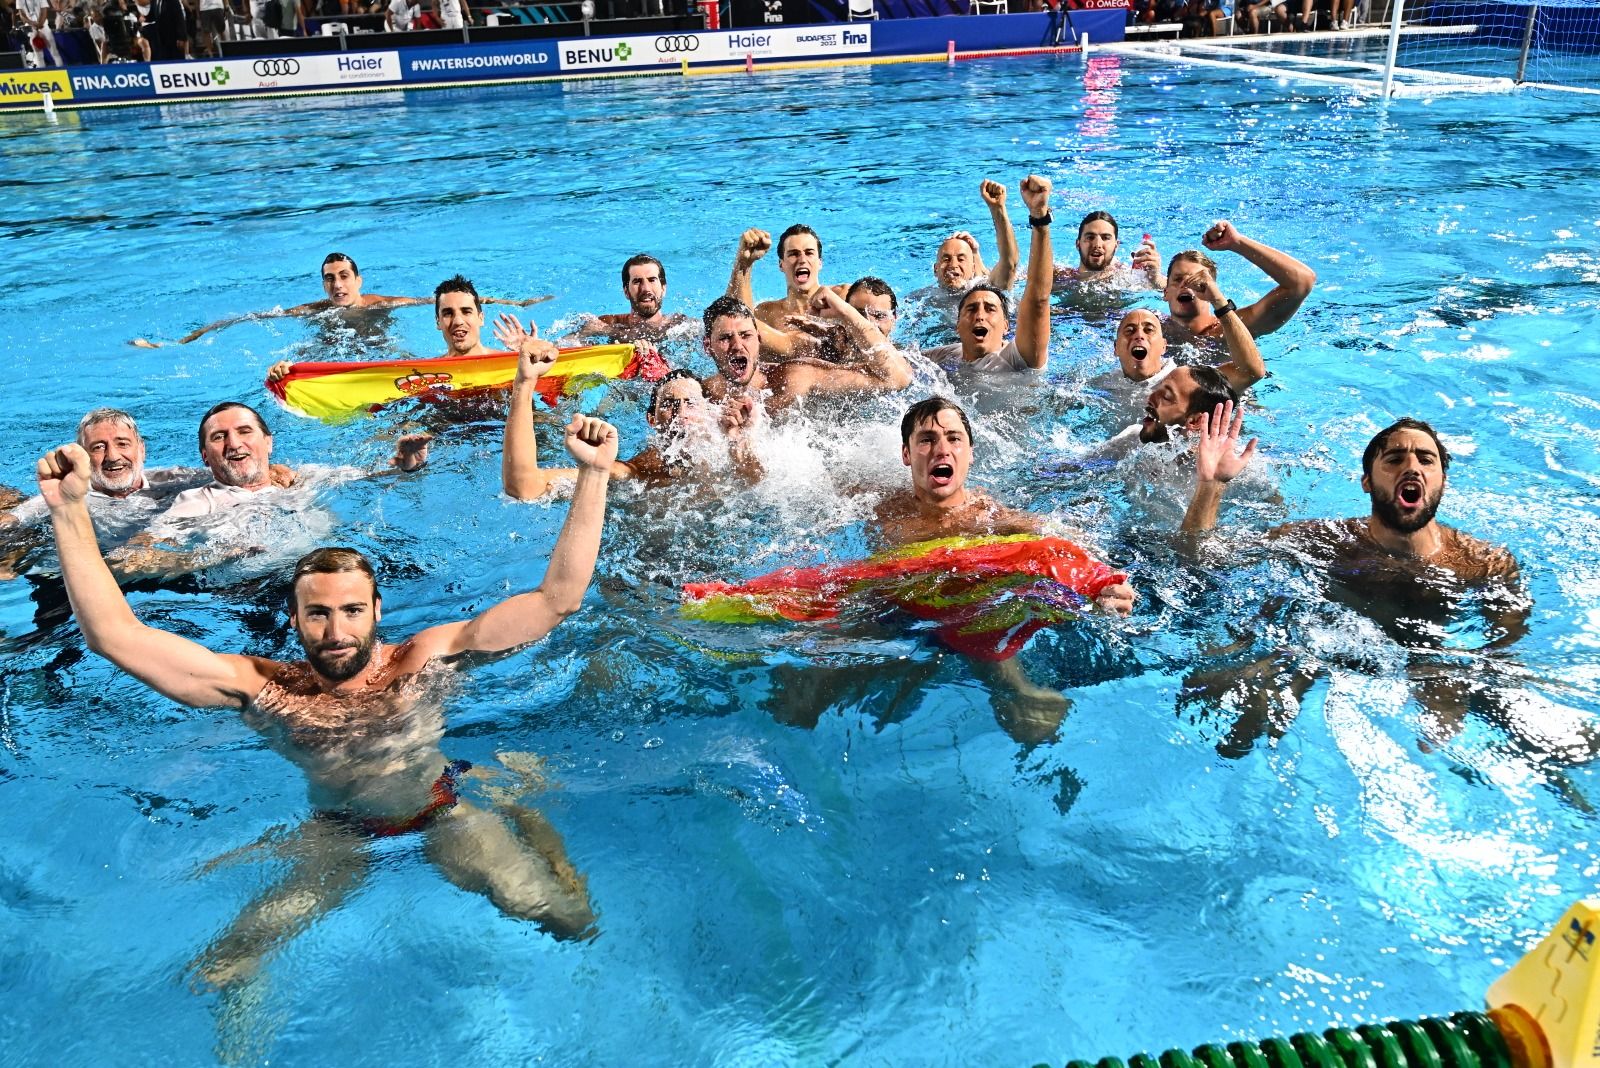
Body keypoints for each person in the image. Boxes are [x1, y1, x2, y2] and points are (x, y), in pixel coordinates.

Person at [35, 413, 618, 982]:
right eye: (317, 613)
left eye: (351, 611)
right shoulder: (262, 686)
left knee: (561, 916)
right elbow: (114, 636)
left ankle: (521, 802)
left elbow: (556, 600)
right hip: (337, 830)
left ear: (377, 612)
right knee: (228, 962)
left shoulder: (426, 658)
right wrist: (67, 512)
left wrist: (592, 476)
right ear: (293, 619)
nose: (336, 632)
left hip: (441, 806)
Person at [1180, 409, 1531, 752]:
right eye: (1394, 459)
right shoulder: (1325, 541)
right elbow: (1203, 559)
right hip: (1321, 650)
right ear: (1367, 481)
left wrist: (1455, 682)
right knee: (1241, 721)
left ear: (1442, 480)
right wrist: (1212, 485)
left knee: (1539, 734)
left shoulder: (1482, 563)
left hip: (1432, 663)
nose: (1411, 467)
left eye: (1426, 460)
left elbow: (1505, 657)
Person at [504, 344, 760, 498]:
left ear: (709, 412)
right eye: (669, 405)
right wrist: (524, 384)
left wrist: (738, 441)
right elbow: (524, 486)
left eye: (691, 403)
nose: (681, 413)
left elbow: (756, 485)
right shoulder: (638, 472)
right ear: (652, 420)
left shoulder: (729, 450)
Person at [131, 254, 545, 348]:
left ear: (358, 279)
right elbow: (246, 319)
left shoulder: (381, 302)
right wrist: (184, 340)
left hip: (380, 352)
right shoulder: (313, 312)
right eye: (329, 279)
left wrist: (517, 303)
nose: (337, 284)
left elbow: (440, 301)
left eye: (343, 276)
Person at [921, 174, 1057, 374]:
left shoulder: (1017, 360)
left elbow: (1037, 297)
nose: (980, 316)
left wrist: (1040, 217)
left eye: (990, 309)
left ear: (1006, 326)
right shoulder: (946, 355)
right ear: (957, 326)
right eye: (972, 309)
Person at [699, 294, 913, 415]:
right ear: (707, 347)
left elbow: (897, 378)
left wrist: (847, 314)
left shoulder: (795, 377)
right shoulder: (698, 395)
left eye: (745, 335)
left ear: (759, 340)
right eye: (725, 338)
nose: (737, 345)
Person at [1161, 221, 1316, 345]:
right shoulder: (1150, 329)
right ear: (1165, 292)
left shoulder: (1233, 329)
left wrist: (1237, 243)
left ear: (1212, 289)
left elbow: (1302, 282)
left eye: (1198, 280)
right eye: (1178, 279)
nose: (1186, 285)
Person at [904, 180, 1021, 328]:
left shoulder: (985, 289)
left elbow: (1010, 262)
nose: (953, 265)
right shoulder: (921, 298)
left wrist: (998, 209)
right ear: (935, 269)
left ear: (973, 268)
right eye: (946, 259)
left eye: (961, 259)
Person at [726, 223, 835, 333]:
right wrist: (743, 263)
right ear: (781, 265)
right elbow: (735, 326)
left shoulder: (843, 298)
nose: (802, 260)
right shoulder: (766, 315)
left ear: (820, 263)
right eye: (794, 254)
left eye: (809, 253)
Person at [575, 253, 691, 345]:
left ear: (663, 288)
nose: (646, 289)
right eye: (637, 281)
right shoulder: (608, 324)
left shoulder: (680, 325)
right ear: (626, 291)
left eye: (652, 280)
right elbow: (565, 344)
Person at [1053, 210, 1162, 290]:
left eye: (1105, 238)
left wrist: (1156, 278)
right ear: (1078, 244)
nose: (1097, 244)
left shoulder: (1127, 277)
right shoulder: (1062, 277)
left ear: (1116, 245)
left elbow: (1172, 289)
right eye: (1090, 237)